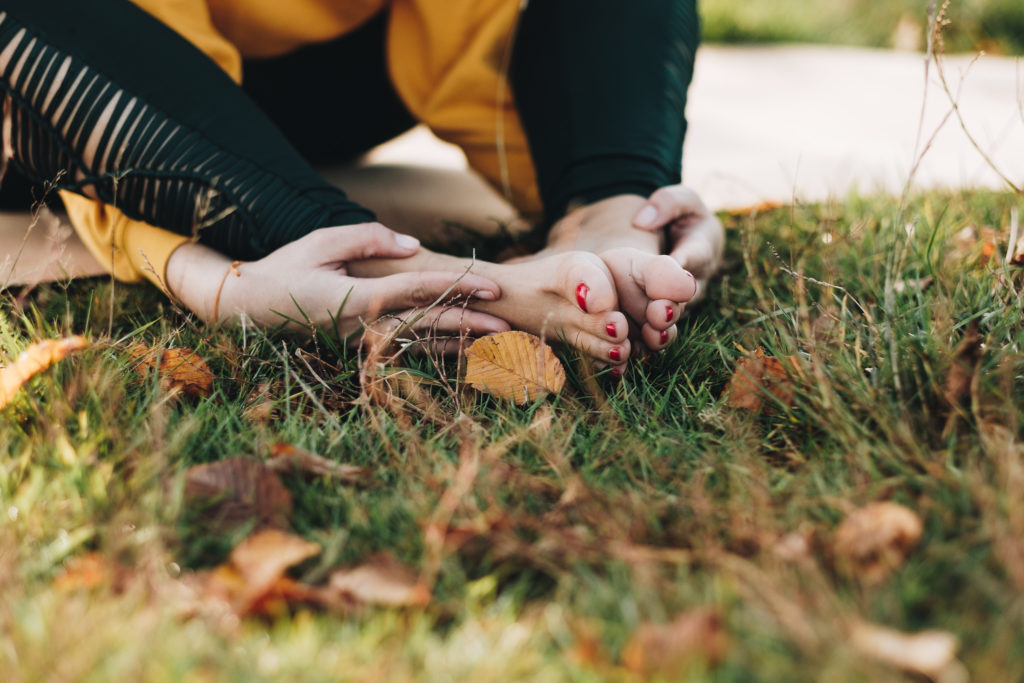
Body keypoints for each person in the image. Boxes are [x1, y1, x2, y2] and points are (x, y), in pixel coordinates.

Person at [0, 0, 723, 372]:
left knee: (613, 176)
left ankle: (616, 214)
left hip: (312, 74)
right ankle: (378, 261)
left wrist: (617, 161)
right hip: (60, 95)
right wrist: (209, 276)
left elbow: (477, 28)